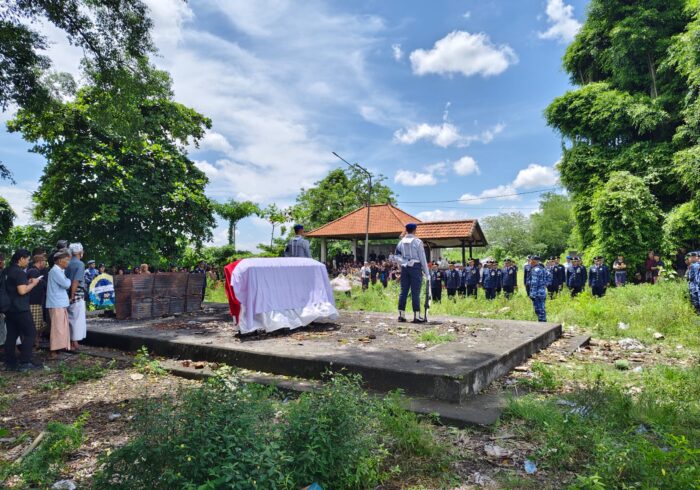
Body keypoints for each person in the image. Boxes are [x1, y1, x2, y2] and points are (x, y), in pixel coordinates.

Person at [3, 249, 43, 371]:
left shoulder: (6, 270)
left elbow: (13, 286)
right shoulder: (19, 272)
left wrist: (27, 282)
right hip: (20, 308)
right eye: (27, 259)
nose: (28, 262)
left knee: (12, 334)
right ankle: (25, 362)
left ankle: (10, 362)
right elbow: (22, 291)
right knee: (30, 333)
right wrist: (34, 283)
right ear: (21, 259)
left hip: (9, 308)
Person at [394, 223, 430, 323]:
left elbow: (396, 257)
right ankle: (416, 316)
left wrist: (405, 262)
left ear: (406, 230)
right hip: (416, 267)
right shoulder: (418, 242)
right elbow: (423, 259)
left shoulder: (401, 242)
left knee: (403, 291)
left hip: (405, 267)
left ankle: (401, 315)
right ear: (414, 230)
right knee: (415, 292)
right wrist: (427, 273)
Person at [46, 249, 72, 359]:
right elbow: (66, 284)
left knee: (61, 327)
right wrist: (69, 280)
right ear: (60, 261)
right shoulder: (55, 271)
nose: (68, 262)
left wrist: (67, 280)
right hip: (56, 303)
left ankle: (58, 349)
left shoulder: (59, 271)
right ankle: (53, 351)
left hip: (59, 303)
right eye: (67, 260)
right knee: (57, 328)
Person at [65, 243, 87, 351]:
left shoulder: (67, 262)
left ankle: (69, 341)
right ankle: (75, 342)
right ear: (79, 252)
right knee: (77, 319)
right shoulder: (80, 264)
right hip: (76, 294)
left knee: (69, 318)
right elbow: (76, 281)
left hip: (65, 293)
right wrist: (72, 295)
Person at [26, 254, 48, 345]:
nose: (45, 263)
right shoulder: (33, 271)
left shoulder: (35, 271)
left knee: (39, 324)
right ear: (40, 261)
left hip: (36, 302)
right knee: (35, 324)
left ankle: (35, 342)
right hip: (33, 302)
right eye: (44, 261)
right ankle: (33, 343)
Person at [526, 255, 550, 322]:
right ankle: (543, 321)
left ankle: (542, 323)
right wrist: (545, 284)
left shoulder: (535, 270)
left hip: (537, 293)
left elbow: (534, 283)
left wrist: (532, 294)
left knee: (538, 309)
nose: (530, 262)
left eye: (532, 261)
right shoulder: (543, 269)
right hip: (542, 292)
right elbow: (549, 275)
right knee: (542, 308)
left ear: (535, 261)